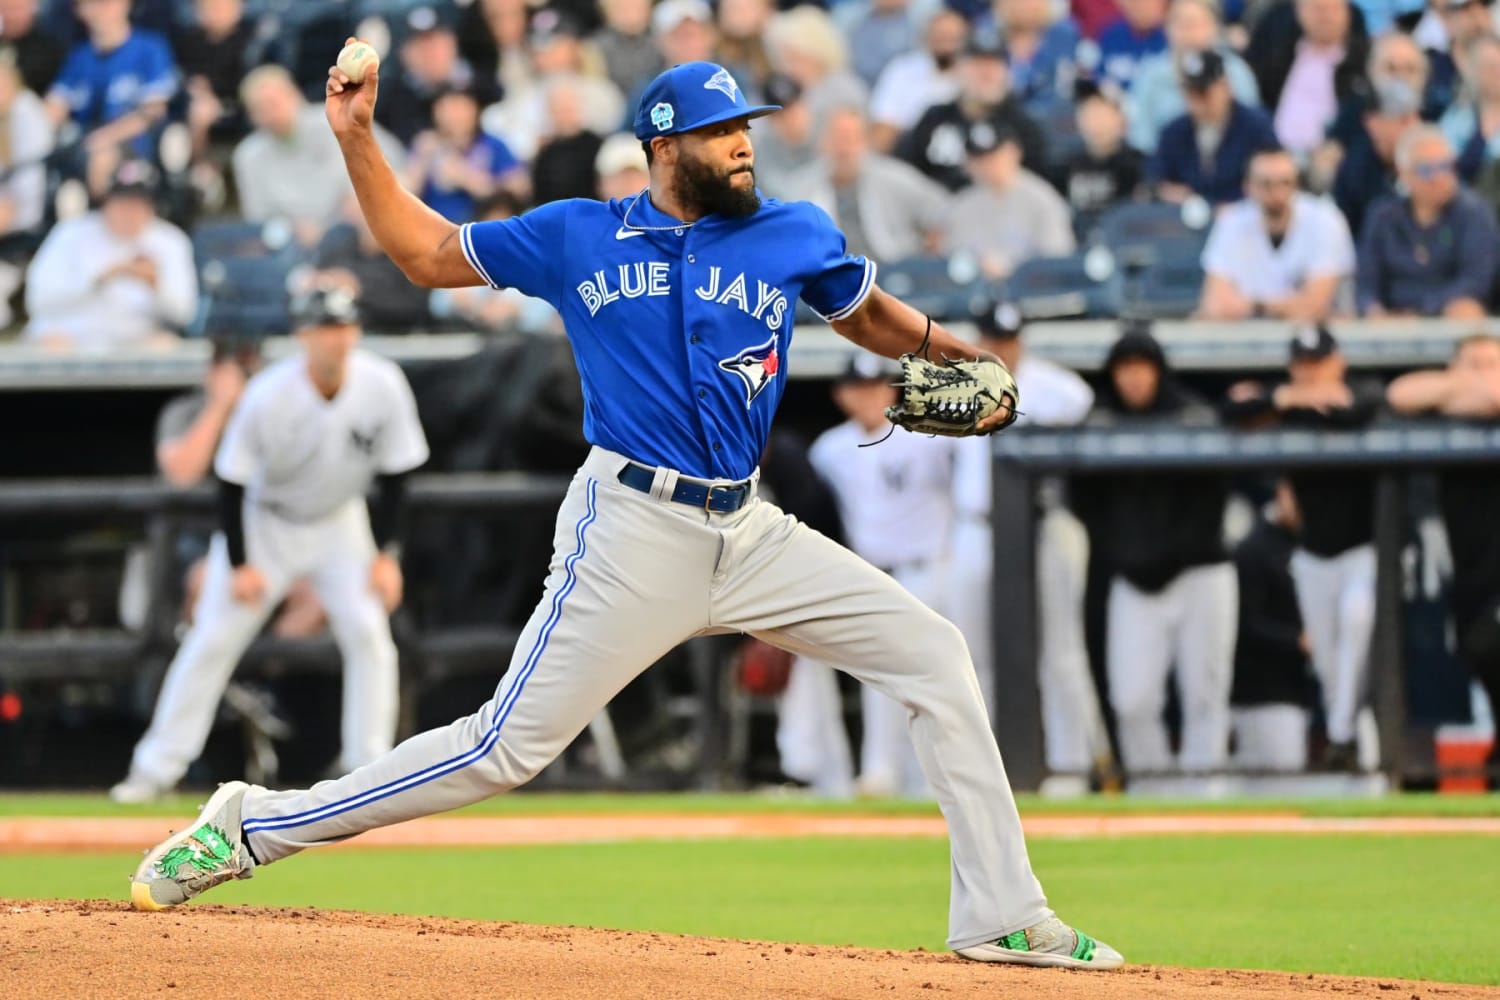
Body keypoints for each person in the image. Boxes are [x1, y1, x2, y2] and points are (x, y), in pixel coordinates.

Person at [130, 55, 1124, 974]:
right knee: (500, 748)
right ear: (663, 147)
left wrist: (951, 355)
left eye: (746, 124)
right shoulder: (578, 234)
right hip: (632, 529)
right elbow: (427, 254)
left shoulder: (793, 230)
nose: (743, 141)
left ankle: (1000, 909)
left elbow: (861, 314)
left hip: (751, 528)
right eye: (720, 128)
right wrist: (356, 138)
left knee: (934, 652)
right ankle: (251, 823)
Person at [110, 285, 430, 804]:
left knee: (369, 634)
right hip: (266, 522)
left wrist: (386, 556)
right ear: (303, 335)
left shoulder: (382, 384)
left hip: (339, 520)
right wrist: (240, 563)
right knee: (212, 640)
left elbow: (398, 475)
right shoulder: (270, 395)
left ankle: (367, 768)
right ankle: (153, 770)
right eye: (326, 328)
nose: (338, 339)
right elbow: (231, 482)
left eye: (346, 327)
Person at [949, 301, 1107, 796]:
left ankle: (1071, 765)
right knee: (971, 654)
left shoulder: (1054, 387)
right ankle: (986, 771)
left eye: (1010, 340)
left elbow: (1089, 413)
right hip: (975, 526)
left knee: (1059, 649)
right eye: (993, 340)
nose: (1002, 349)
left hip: (1041, 524)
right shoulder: (951, 384)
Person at [786, 354, 962, 799]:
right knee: (877, 678)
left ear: (893, 390)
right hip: (869, 576)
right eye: (858, 389)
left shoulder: (926, 436)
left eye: (876, 387)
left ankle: (929, 780)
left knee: (930, 681)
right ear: (841, 395)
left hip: (927, 569)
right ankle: (872, 775)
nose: (868, 397)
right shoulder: (829, 450)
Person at [1221, 324, 1384, 770]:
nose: (1312, 375)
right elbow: (1229, 410)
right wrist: (1281, 399)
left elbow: (1360, 410)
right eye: (1303, 366)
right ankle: (1351, 750)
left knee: (1357, 621)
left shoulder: (1362, 392)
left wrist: (1304, 403)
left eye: (1319, 364)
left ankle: (1343, 735)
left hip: (1362, 548)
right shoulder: (1288, 401)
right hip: (1313, 552)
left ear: (1338, 361)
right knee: (1333, 669)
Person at [1083, 324, 1236, 775]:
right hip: (1133, 578)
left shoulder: (1192, 415)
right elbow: (1088, 505)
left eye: (1142, 367)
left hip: (1199, 573)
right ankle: (1154, 795)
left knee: (1204, 697)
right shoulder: (1101, 422)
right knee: (1131, 700)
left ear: (1158, 371)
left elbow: (1214, 500)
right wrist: (1127, 555)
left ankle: (1203, 800)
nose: (1133, 378)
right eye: (1124, 368)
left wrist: (1167, 553)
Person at [1387, 332, 1500, 788]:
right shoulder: (1448, 403)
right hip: (1475, 574)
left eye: (1491, 362)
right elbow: (1401, 393)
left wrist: (1475, 389)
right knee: (1481, 649)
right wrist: (1467, 388)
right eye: (1470, 362)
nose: (1481, 372)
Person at [22, 159, 196, 352]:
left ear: (152, 206)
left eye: (138, 204)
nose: (129, 212)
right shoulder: (70, 232)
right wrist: (99, 281)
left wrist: (155, 285)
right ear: (107, 201)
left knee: (164, 345)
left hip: (133, 346)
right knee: (51, 346)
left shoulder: (171, 241)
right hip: (72, 339)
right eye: (123, 202)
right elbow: (36, 300)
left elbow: (185, 314)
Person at [233, 64, 405, 246]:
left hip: (357, 226)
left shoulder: (336, 120)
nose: (271, 113)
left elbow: (395, 160)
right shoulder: (247, 156)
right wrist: (293, 229)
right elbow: (259, 219)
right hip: (295, 244)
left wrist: (365, 198)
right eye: (260, 109)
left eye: (274, 103)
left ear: (295, 95)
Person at [1355, 124, 1500, 318]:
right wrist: (1373, 309)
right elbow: (1365, 281)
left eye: (1444, 167)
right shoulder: (1383, 216)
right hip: (1390, 323)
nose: (1438, 177)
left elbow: (1476, 281)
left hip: (1445, 316)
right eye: (1426, 170)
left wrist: (1419, 312)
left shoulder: (1474, 213)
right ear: (1403, 174)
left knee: (1467, 309)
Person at [1197, 146, 1355, 321]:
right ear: (1248, 186)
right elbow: (1215, 304)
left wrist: (1255, 306)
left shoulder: (1325, 220)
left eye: (1286, 183)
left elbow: (1315, 305)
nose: (1277, 193)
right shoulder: (1231, 222)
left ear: (1297, 184)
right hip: (1245, 340)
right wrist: (1288, 305)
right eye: (1266, 184)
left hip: (1315, 340)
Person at [784, 105, 950, 263]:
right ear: (822, 142)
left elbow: (942, 209)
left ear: (865, 142)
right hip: (828, 281)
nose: (844, 148)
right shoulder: (800, 189)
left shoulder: (893, 178)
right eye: (837, 138)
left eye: (851, 139)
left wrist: (932, 245)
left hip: (891, 275)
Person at [45, 0, 177, 195]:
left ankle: (107, 217)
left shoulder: (150, 48)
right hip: (82, 144)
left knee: (102, 157)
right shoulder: (79, 56)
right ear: (80, 10)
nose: (100, 10)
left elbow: (154, 111)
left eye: (107, 3)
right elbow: (54, 106)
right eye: (91, 3)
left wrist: (106, 137)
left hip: (133, 143)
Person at [1230, 480, 1315, 772]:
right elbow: (1245, 626)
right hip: (1262, 696)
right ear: (1282, 492)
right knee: (1275, 790)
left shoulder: (1310, 543)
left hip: (1299, 693)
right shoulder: (1254, 549)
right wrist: (1297, 641)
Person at [944, 121, 1075, 279]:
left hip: (1030, 294)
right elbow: (951, 262)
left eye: (995, 156)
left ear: (1014, 152)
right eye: (981, 159)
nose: (990, 165)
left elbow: (1057, 261)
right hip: (975, 294)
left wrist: (1011, 270)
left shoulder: (1042, 199)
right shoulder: (961, 206)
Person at [1147, 48, 1279, 206]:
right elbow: (1154, 177)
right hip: (1185, 220)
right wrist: (1167, 192)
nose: (1196, 101)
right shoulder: (1176, 130)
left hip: (1244, 218)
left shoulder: (1256, 126)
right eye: (1190, 92)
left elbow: (1273, 174)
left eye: (1203, 92)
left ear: (1225, 88)